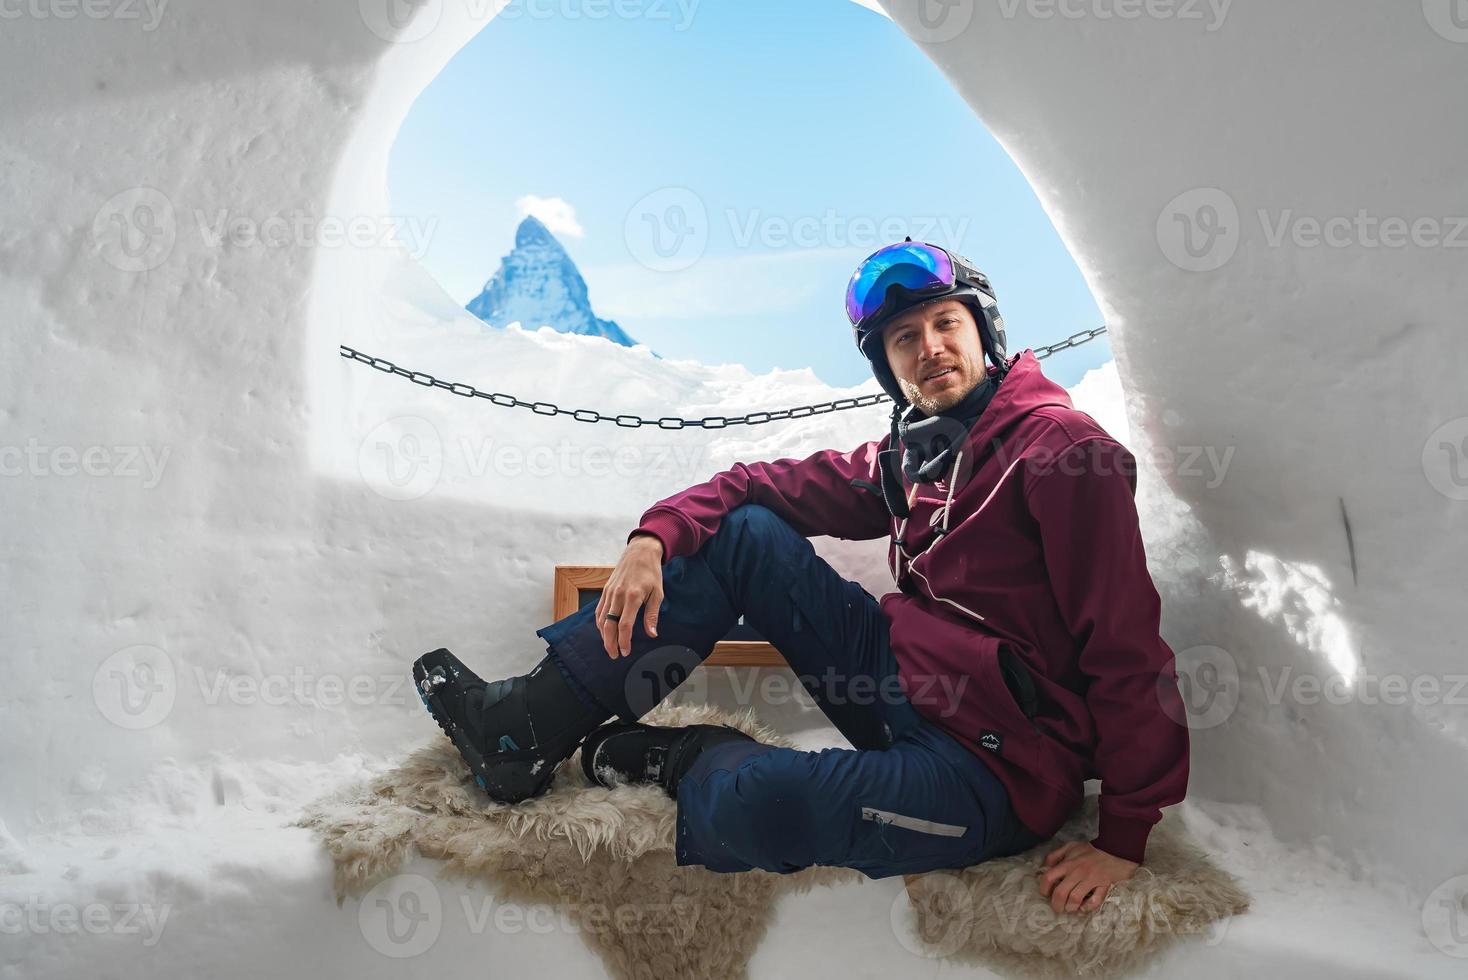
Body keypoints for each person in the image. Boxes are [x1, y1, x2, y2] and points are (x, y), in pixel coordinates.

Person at [413, 240, 1190, 914]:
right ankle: (521, 729)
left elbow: (1126, 650)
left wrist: (1124, 836)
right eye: (904, 338)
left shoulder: (1060, 452)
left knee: (763, 804)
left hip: (993, 768)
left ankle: (684, 758)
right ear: (888, 367)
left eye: (947, 324)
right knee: (745, 533)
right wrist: (653, 537)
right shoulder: (912, 458)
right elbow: (755, 485)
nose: (931, 348)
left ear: (985, 333)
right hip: (897, 683)